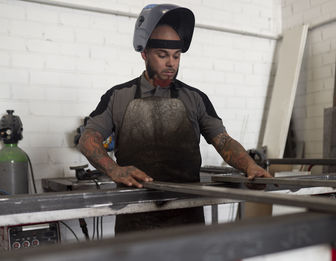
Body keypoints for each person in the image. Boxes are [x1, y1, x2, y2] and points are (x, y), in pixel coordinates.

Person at [79, 3, 271, 233]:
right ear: (144, 54)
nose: (171, 63)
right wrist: (114, 170)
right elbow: (88, 138)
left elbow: (222, 140)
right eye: (162, 55)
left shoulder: (195, 99)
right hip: (135, 219)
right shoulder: (117, 97)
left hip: (186, 217)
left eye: (176, 56)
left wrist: (250, 165)